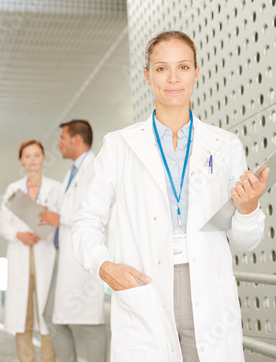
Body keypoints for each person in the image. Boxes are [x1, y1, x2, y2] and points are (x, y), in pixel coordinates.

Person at [72, 31, 269, 362]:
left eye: (183, 67)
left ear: (196, 72)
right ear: (148, 76)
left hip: (207, 286)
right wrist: (103, 265)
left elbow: (245, 241)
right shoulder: (119, 145)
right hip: (144, 285)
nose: (174, 78)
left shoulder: (224, 144)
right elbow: (86, 220)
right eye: (162, 69)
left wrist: (248, 210)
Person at [41, 120, 107, 362]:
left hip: (85, 256)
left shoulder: (95, 167)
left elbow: (99, 212)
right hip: (66, 253)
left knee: (91, 322)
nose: (58, 144)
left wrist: (60, 217)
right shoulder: (74, 171)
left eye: (62, 138)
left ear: (76, 139)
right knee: (52, 317)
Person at [0, 139, 61, 362]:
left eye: (36, 155)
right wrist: (19, 234)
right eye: (28, 156)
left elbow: (62, 221)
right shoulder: (13, 189)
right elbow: (3, 223)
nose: (33, 160)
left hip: (45, 253)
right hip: (21, 254)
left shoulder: (57, 188)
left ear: (43, 158)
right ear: (21, 160)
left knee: (46, 314)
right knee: (21, 315)